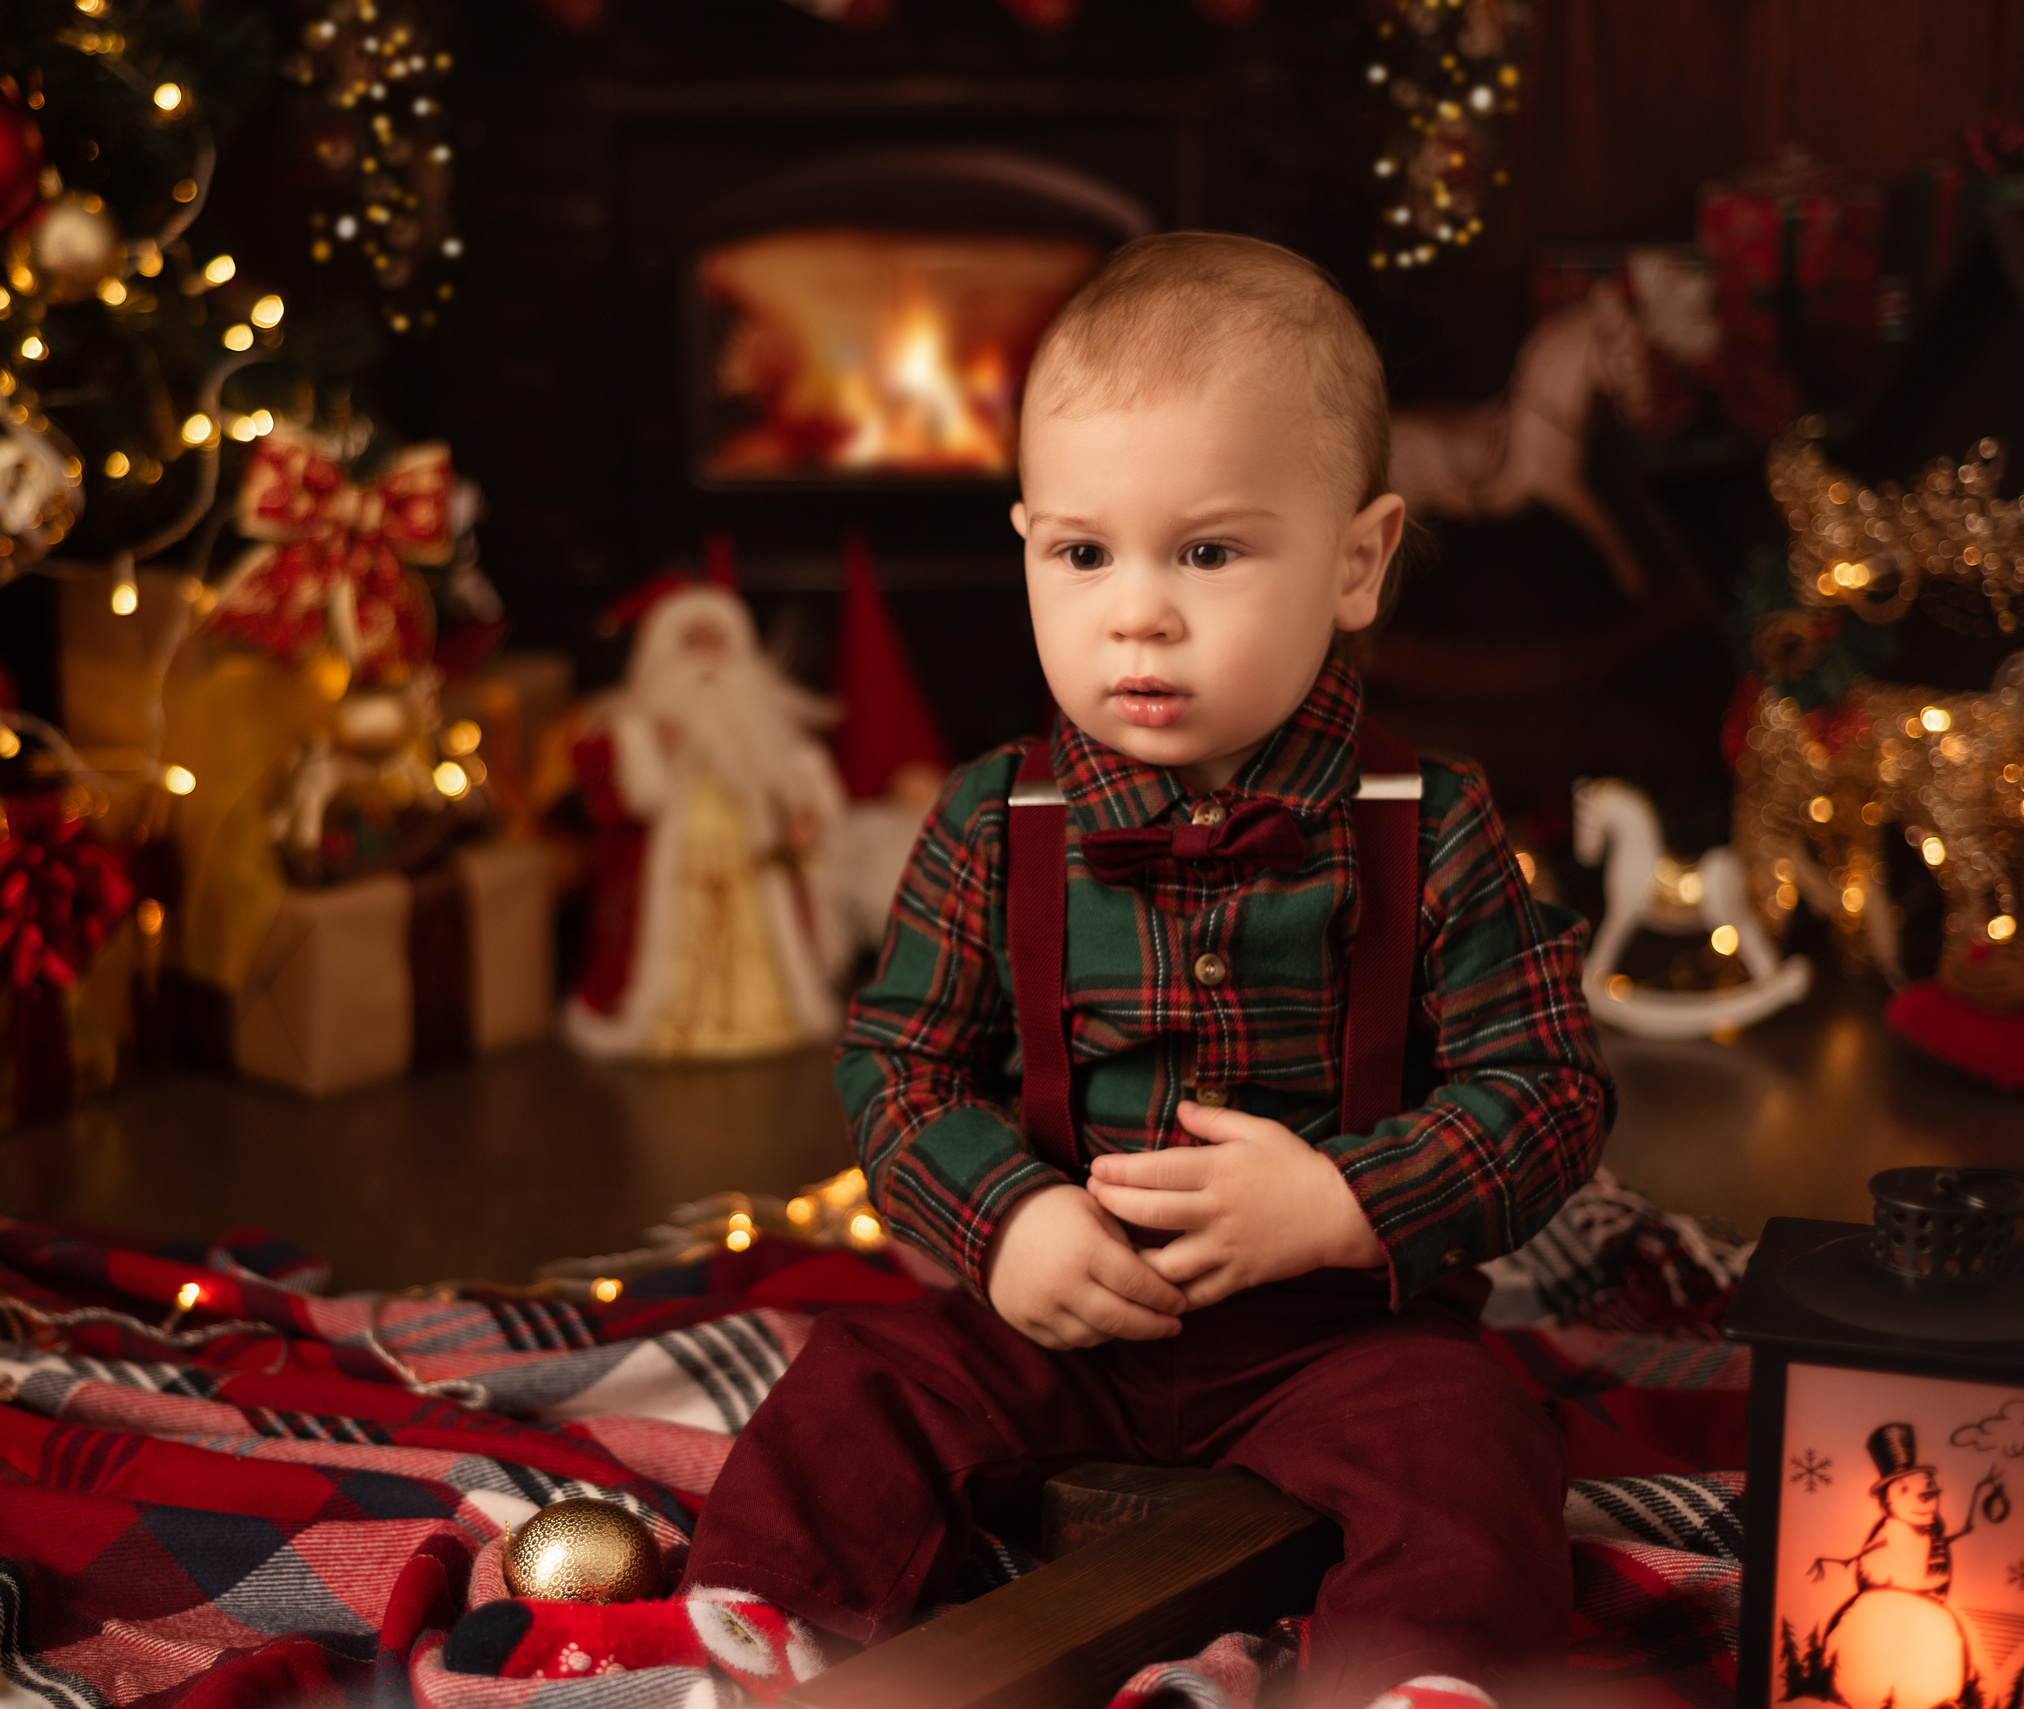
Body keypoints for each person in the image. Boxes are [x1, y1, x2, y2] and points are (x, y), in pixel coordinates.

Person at [448, 234, 1614, 1707]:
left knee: (1475, 1436)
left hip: (1341, 1338)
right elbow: (898, 1064)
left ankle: (1423, 1678)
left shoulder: (1429, 824)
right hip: (1062, 1320)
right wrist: (1007, 1226)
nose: (1138, 611)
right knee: (864, 1382)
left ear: (1359, 561)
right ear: (1028, 549)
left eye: (1208, 551)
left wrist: (1347, 1200)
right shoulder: (1000, 821)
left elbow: (1553, 1089)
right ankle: (761, 1624)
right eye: (1084, 553)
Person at [562, 580, 852, 1061]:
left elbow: (801, 778)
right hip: (675, 868)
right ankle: (671, 1021)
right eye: (692, 642)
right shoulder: (635, 725)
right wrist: (652, 749)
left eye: (716, 640)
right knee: (678, 943)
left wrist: (807, 814)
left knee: (758, 941)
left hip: (752, 860)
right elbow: (622, 796)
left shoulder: (765, 716)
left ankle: (765, 1016)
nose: (706, 656)